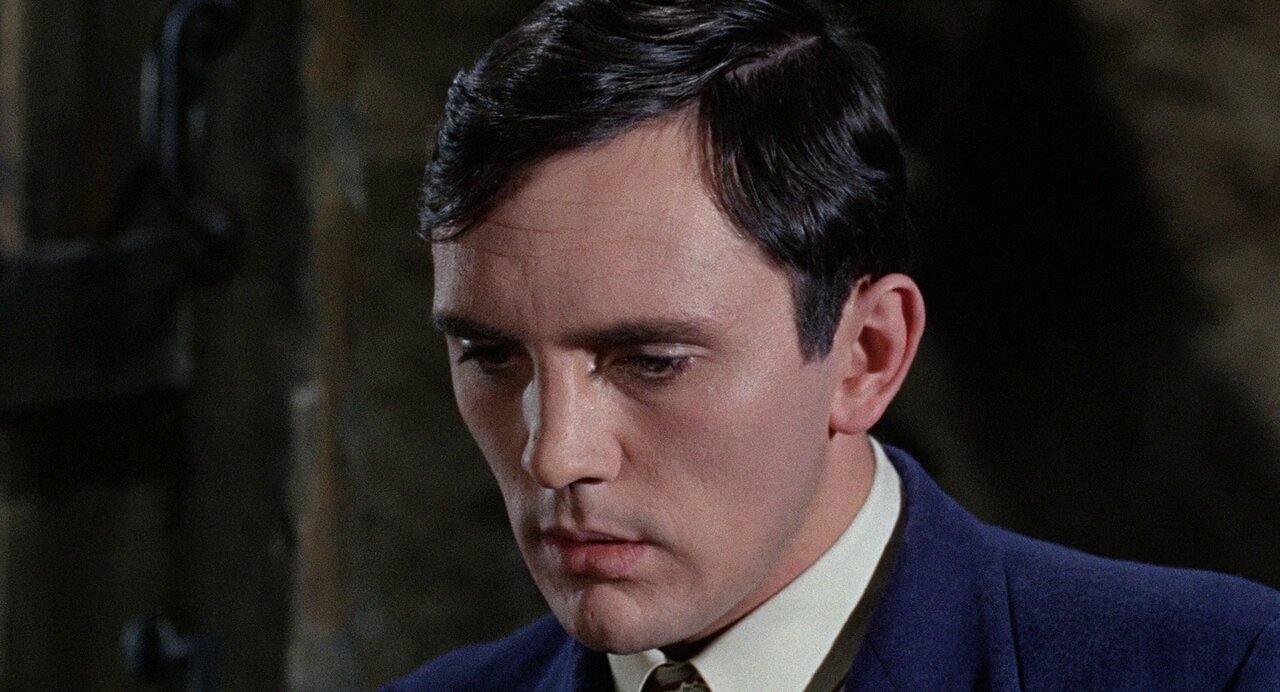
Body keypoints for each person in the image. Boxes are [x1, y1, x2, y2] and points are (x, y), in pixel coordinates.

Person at [386, 0, 1280, 689]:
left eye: (652, 361)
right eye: (492, 356)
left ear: (867, 356)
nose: (554, 455)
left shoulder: (1217, 670)